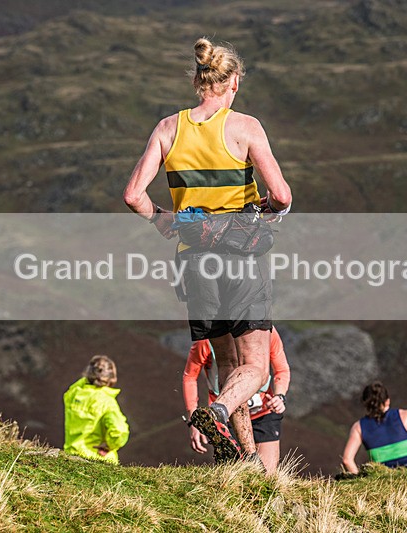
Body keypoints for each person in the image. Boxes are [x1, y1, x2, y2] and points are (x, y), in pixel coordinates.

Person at [123, 37, 292, 462]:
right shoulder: (245, 127)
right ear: (232, 82)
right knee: (254, 365)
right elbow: (283, 196)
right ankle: (216, 410)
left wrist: (164, 220)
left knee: (224, 362)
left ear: (199, 81)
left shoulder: (168, 128)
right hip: (241, 258)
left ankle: (245, 461)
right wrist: (265, 210)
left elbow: (133, 196)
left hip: (194, 262)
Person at [183, 326, 290, 473]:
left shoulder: (265, 333)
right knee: (233, 475)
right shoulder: (207, 342)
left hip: (263, 413)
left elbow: (281, 369)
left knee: (267, 475)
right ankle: (218, 412)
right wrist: (193, 421)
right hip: (227, 417)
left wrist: (280, 395)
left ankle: (219, 412)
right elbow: (190, 377)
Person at [63, 355, 130, 464]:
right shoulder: (107, 402)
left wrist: (89, 376)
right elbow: (119, 431)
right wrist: (110, 445)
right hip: (98, 460)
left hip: (71, 454)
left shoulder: (73, 394)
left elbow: (79, 384)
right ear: (111, 377)